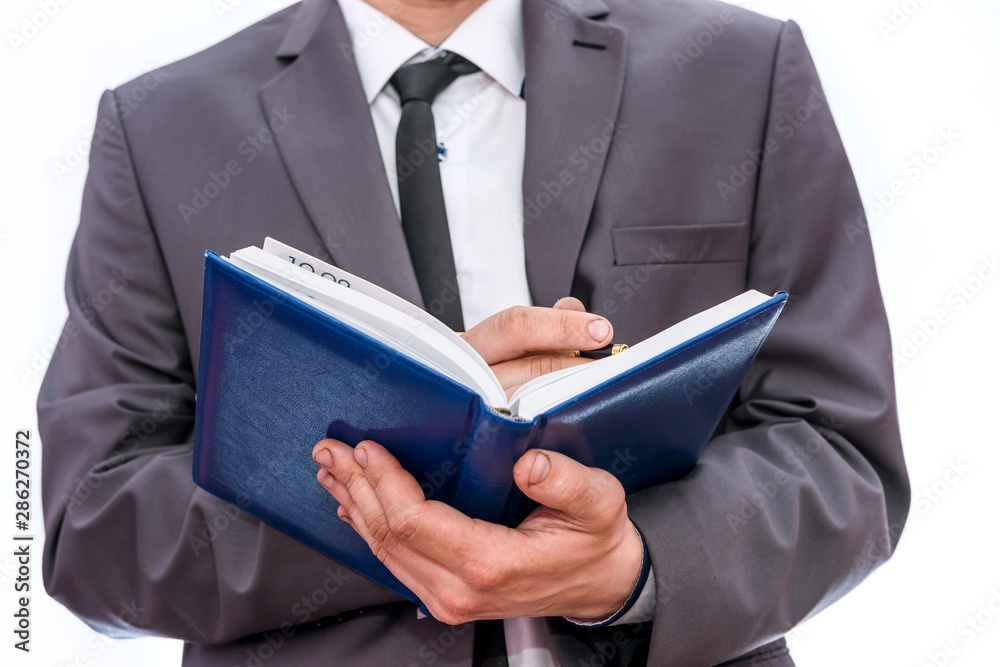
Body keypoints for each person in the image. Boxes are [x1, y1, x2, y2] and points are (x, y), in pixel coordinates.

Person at [37, 0, 910, 665]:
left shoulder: (740, 71)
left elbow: (842, 452)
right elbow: (92, 527)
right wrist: (396, 486)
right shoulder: (159, 131)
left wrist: (635, 566)